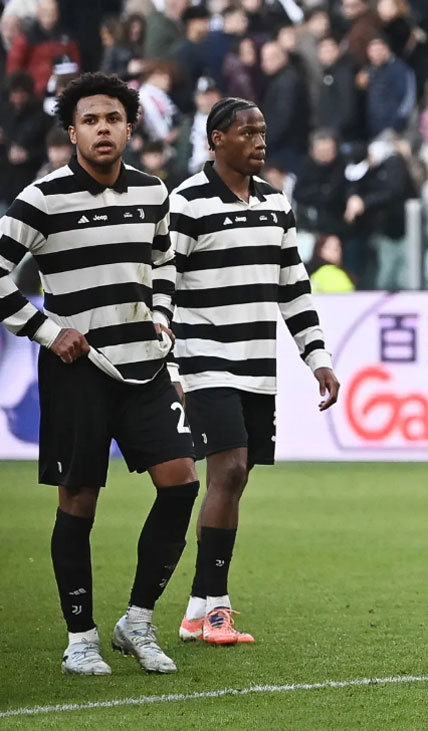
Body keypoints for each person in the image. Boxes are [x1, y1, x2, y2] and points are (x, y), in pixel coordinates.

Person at [0, 72, 199, 675]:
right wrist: (46, 330)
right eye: (90, 120)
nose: (103, 128)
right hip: (78, 371)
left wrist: (163, 316)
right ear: (72, 132)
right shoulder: (42, 199)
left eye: (112, 118)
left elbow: (165, 263)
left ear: (130, 127)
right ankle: (80, 636)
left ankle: (136, 621)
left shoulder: (153, 192)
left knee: (182, 484)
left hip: (146, 367)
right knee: (79, 501)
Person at [158, 97, 339, 646]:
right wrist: (169, 363)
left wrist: (319, 358)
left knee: (235, 480)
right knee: (230, 469)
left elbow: (294, 288)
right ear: (216, 140)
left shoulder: (275, 203)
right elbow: (161, 285)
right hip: (203, 361)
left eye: (263, 132)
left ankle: (196, 606)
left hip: (258, 366)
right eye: (247, 133)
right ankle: (218, 609)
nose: (260, 142)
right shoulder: (186, 202)